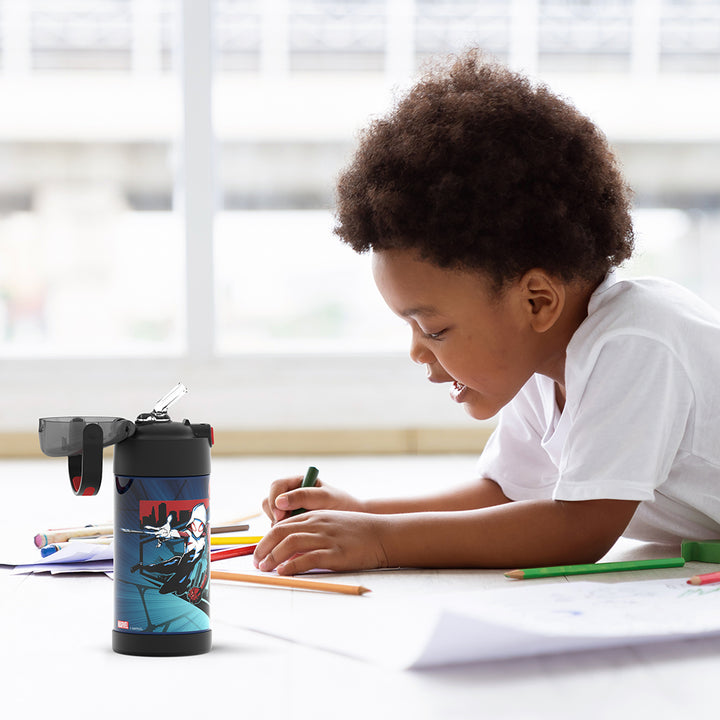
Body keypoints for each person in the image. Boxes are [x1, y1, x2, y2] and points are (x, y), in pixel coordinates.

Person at [254, 48, 720, 576]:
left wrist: (380, 541)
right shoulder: (542, 360)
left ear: (536, 301)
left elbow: (580, 529)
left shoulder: (635, 341)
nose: (416, 351)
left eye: (433, 329)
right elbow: (504, 494)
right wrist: (361, 514)